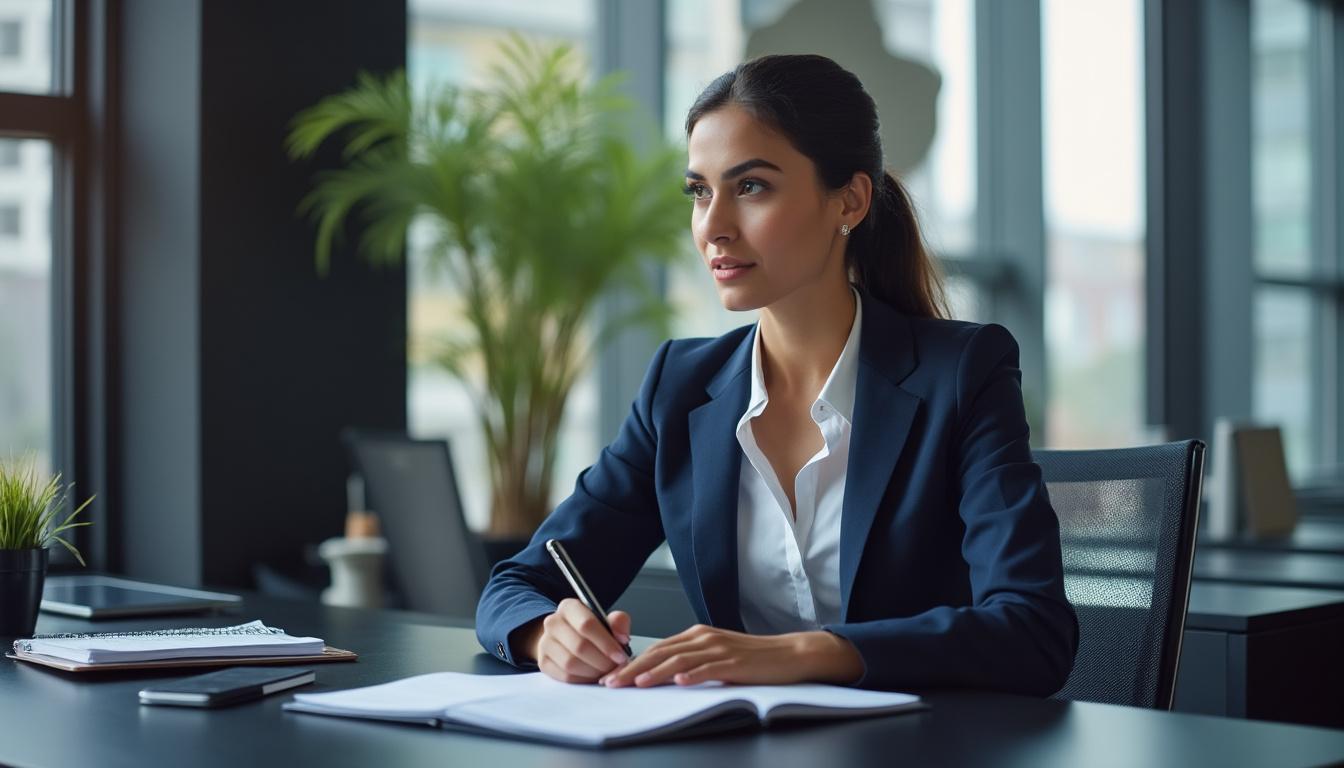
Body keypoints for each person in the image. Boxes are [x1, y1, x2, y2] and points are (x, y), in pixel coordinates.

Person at [475, 54, 1078, 695]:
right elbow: (516, 585)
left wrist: (801, 654)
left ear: (848, 200)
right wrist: (547, 633)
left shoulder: (961, 373)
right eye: (699, 191)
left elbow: (1031, 631)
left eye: (751, 187)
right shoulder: (679, 387)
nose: (712, 226)